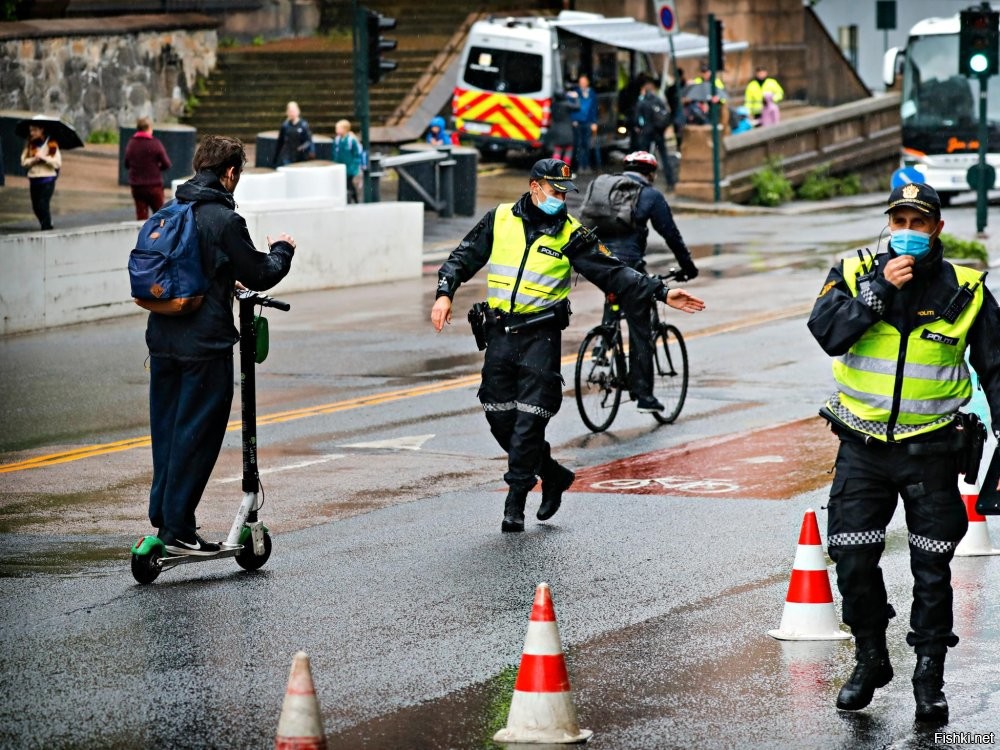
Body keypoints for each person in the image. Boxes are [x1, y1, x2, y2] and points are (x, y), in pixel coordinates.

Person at [807, 182, 1000, 723]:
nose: (908, 234)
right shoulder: (851, 272)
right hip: (862, 447)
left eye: (919, 224)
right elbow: (827, 333)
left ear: (937, 228)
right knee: (851, 556)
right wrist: (877, 291)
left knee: (932, 570)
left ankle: (928, 677)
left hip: (933, 448)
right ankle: (871, 659)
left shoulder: (967, 289)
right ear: (888, 224)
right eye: (900, 222)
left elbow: (998, 369)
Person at [430, 158, 705, 533]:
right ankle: (554, 474)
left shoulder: (571, 234)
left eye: (565, 192)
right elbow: (464, 256)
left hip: (540, 338)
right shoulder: (500, 219)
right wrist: (445, 293)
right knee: (499, 419)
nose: (561, 198)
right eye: (555, 192)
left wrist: (662, 291)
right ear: (534, 188)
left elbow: (615, 273)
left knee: (528, 423)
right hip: (499, 335)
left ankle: (515, 504)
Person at [146, 135, 295, 556]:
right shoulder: (224, 221)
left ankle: (165, 517)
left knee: (168, 433)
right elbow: (262, 272)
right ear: (230, 173)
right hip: (204, 347)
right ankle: (177, 528)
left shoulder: (171, 211)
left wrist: (226, 277)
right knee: (197, 436)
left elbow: (192, 268)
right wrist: (283, 250)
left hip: (161, 341)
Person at [600, 151, 699, 413]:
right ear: (651, 173)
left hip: (599, 262)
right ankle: (643, 396)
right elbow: (671, 234)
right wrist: (688, 267)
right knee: (640, 329)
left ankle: (602, 343)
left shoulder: (606, 189)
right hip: (629, 264)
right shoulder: (650, 195)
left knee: (613, 295)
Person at [124, 117, 172, 220]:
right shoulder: (155, 143)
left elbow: (127, 164)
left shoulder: (131, 144)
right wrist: (156, 168)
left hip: (137, 187)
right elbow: (167, 164)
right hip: (153, 186)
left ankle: (142, 235)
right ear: (149, 128)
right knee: (160, 217)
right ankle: (160, 235)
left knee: (141, 217)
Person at [633, 78, 675, 190]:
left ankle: (644, 181)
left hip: (646, 132)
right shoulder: (658, 100)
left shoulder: (642, 102)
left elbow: (637, 119)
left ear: (644, 90)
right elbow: (666, 114)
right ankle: (670, 181)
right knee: (664, 156)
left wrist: (640, 127)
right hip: (658, 132)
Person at [20, 122, 61, 230]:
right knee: (35, 206)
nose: (31, 133)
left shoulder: (51, 144)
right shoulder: (30, 144)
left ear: (41, 130)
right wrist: (34, 159)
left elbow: (57, 163)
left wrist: (45, 158)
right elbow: (23, 162)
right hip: (34, 179)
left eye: (34, 130)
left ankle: (46, 227)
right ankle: (46, 221)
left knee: (43, 204)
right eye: (30, 130)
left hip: (47, 179)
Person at [570, 75, 599, 173]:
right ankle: (579, 166)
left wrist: (594, 122)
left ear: (587, 83)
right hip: (578, 123)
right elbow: (572, 107)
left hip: (588, 122)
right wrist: (573, 119)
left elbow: (594, 109)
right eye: (580, 82)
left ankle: (586, 165)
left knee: (586, 145)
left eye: (583, 82)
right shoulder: (575, 92)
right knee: (579, 145)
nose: (582, 84)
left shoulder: (592, 93)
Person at [271, 101, 315, 168]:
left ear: (298, 111)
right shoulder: (285, 125)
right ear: (287, 112)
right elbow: (280, 142)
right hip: (288, 155)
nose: (292, 113)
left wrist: (310, 150)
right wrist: (275, 157)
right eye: (290, 111)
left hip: (301, 155)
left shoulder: (303, 125)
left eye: (293, 111)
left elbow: (309, 140)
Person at [333, 119, 364, 204]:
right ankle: (353, 199)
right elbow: (335, 153)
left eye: (338, 128)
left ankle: (351, 200)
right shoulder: (337, 140)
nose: (336, 130)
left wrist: (355, 166)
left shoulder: (351, 140)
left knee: (348, 184)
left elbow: (356, 154)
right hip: (340, 166)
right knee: (346, 184)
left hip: (350, 167)